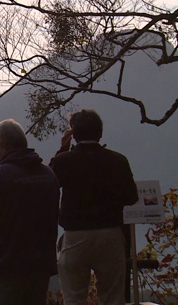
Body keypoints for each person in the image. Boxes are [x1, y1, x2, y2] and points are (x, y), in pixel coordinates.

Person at [50, 109, 139, 305]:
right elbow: (131, 197)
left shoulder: (64, 161)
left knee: (74, 297)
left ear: (73, 134)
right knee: (113, 298)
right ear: (100, 133)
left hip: (75, 237)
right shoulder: (118, 160)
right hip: (110, 234)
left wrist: (62, 151)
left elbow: (48, 184)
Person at [0, 119, 59, 305]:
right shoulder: (47, 175)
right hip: (40, 265)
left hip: (6, 266)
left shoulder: (1, 175)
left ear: (3, 146)